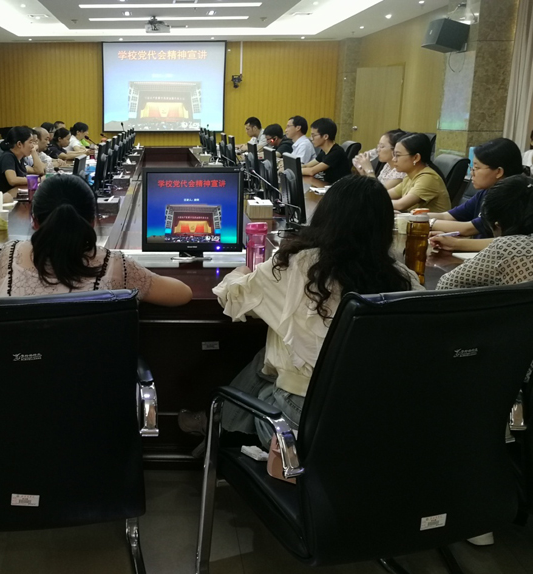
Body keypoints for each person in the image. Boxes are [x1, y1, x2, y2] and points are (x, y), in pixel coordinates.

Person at [178, 176, 422, 454]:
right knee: (275, 352)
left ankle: (217, 426)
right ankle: (217, 426)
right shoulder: (402, 278)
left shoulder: (299, 264)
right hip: (380, 419)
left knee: (276, 355)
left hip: (301, 425)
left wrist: (240, 273)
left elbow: (232, 298)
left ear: (325, 217)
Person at [0, 175, 193, 304]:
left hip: (21, 372)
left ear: (34, 221)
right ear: (92, 221)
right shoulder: (114, 265)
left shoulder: (8, 255)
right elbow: (182, 295)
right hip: (92, 375)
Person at [429, 138, 526, 253]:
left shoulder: (511, 199)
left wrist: (425, 222)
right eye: (472, 168)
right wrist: (416, 216)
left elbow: (468, 229)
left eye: (477, 168)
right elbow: (447, 216)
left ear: (499, 172)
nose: (472, 173)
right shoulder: (486, 192)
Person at [436, 175, 533, 289]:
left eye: (477, 168)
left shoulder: (506, 247)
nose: (473, 173)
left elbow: (446, 285)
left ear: (497, 225)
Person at [388, 132, 450, 212]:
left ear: (416, 158)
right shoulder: (409, 177)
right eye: (394, 155)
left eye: (398, 155)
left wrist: (378, 201)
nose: (394, 159)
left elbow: (401, 205)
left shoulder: (428, 178)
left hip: (432, 220)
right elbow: (386, 195)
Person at [0, 126, 45, 195]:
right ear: (19, 144)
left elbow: (39, 171)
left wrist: (34, 152)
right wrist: (37, 180)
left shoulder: (20, 158)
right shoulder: (7, 157)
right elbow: (12, 180)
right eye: (30, 142)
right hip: (5, 198)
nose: (33, 146)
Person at [301, 118, 351, 184]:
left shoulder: (336, 152)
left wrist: (294, 170)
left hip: (340, 187)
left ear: (325, 136)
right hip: (329, 185)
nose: (311, 138)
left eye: (313, 135)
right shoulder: (324, 152)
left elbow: (311, 171)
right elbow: (308, 166)